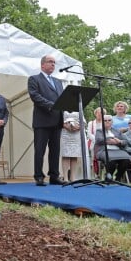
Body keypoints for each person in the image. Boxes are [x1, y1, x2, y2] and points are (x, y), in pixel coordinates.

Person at [27, 55, 64, 186]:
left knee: (55, 151)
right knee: (40, 150)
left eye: (54, 62)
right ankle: (39, 176)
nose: (53, 64)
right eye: (50, 62)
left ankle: (54, 176)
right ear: (42, 65)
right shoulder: (34, 79)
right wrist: (51, 105)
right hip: (42, 121)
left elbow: (62, 99)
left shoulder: (58, 82)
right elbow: (35, 96)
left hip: (57, 121)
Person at [95, 115, 131, 181]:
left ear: (112, 122)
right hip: (104, 150)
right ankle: (109, 177)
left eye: (109, 120)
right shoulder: (99, 131)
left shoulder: (117, 131)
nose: (107, 122)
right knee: (111, 160)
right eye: (105, 121)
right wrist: (110, 140)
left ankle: (118, 177)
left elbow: (126, 141)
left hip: (118, 150)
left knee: (126, 160)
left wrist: (119, 141)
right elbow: (98, 140)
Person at [60, 111, 84, 182]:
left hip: (76, 134)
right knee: (65, 155)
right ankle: (65, 178)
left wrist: (78, 127)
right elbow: (58, 120)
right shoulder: (62, 108)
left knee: (74, 155)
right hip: (65, 133)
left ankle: (73, 177)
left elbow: (83, 121)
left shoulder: (78, 108)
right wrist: (65, 125)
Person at [87, 107, 107, 177]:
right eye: (98, 112)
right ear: (95, 113)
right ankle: (95, 175)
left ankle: (103, 173)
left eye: (102, 113)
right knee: (93, 158)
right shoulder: (91, 123)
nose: (100, 114)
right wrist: (96, 140)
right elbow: (89, 134)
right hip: (93, 143)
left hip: (103, 143)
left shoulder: (105, 123)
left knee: (103, 159)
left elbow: (107, 133)